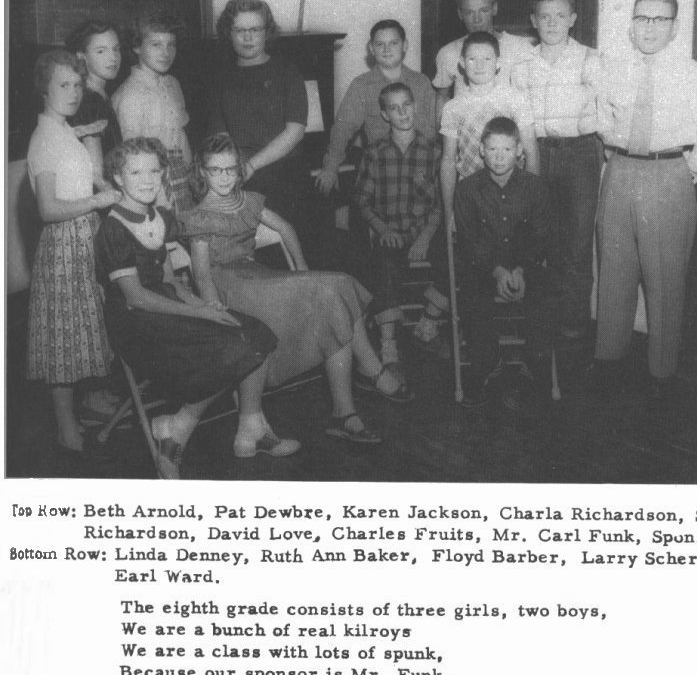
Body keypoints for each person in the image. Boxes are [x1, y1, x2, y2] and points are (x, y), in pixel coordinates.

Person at [184, 133, 414, 445]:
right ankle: (366, 381)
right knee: (334, 290)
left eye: (230, 169)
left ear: (239, 170)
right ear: (202, 172)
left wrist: (303, 268)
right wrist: (212, 307)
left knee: (338, 288)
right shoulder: (200, 216)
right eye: (215, 170)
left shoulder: (248, 201)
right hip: (230, 288)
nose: (224, 177)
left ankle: (345, 409)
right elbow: (200, 272)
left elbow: (286, 228)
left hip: (257, 278)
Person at [96, 137, 300, 479]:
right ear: (117, 178)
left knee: (255, 331)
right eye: (135, 172)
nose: (147, 179)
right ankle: (178, 429)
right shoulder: (113, 228)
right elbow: (137, 298)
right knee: (231, 345)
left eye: (154, 171)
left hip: (168, 305)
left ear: (163, 173)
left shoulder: (158, 215)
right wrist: (200, 312)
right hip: (136, 322)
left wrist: (205, 303)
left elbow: (170, 281)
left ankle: (249, 427)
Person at [593, 0, 697, 400]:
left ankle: (662, 373)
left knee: (665, 278)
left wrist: (684, 174)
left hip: (669, 174)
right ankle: (608, 362)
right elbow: (602, 118)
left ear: (674, 27)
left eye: (659, 20)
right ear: (631, 25)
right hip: (619, 172)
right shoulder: (612, 70)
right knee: (614, 272)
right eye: (642, 19)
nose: (649, 27)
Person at [25, 49, 123, 453]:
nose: (73, 92)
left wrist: (85, 138)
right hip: (63, 245)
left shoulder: (61, 128)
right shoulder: (45, 138)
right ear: (44, 89)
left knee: (85, 325)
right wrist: (98, 202)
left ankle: (91, 399)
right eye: (63, 85)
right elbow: (48, 208)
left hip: (81, 240)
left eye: (78, 84)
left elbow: (74, 167)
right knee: (62, 338)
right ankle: (66, 425)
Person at [512, 0, 602, 340]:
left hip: (578, 155)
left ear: (573, 19)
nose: (552, 23)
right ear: (534, 20)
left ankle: (573, 331)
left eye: (560, 16)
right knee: (535, 241)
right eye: (544, 16)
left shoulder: (590, 60)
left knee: (577, 245)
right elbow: (516, 114)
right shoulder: (522, 65)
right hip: (535, 153)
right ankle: (538, 327)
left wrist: (589, 126)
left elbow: (605, 109)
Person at [452, 117, 551, 408]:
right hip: (484, 266)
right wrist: (497, 272)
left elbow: (540, 238)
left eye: (507, 150)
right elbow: (469, 242)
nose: (499, 156)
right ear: (481, 150)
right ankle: (489, 367)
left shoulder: (535, 187)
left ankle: (531, 368)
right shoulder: (467, 190)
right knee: (472, 295)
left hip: (525, 265)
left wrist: (521, 270)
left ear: (520, 150)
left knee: (545, 292)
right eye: (492, 149)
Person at [353, 83, 446, 368]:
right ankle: (389, 341)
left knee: (453, 259)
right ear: (384, 115)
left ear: (415, 107)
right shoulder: (375, 152)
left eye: (407, 105)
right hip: (390, 232)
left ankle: (427, 323)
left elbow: (439, 203)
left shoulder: (432, 151)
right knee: (384, 266)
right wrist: (383, 230)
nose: (402, 112)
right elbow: (362, 201)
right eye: (394, 108)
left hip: (422, 233)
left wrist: (425, 238)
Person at [207, 0, 310, 246]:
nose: (247, 37)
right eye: (240, 30)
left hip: (284, 176)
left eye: (255, 30)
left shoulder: (287, 72)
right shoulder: (220, 78)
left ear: (267, 33)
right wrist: (233, 174)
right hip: (239, 178)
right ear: (229, 34)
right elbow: (220, 139)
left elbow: (294, 132)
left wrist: (251, 165)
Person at [315, 19, 437, 196]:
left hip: (420, 166)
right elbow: (343, 128)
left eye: (394, 43)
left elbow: (433, 128)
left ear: (405, 46)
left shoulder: (422, 82)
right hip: (383, 170)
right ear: (371, 49)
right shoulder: (361, 86)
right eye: (380, 44)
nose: (387, 50)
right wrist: (330, 167)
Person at [440, 31, 539, 238]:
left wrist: (529, 201)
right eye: (472, 59)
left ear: (498, 63)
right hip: (471, 195)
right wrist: (449, 212)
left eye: (487, 58)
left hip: (511, 192)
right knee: (477, 260)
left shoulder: (515, 99)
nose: (479, 65)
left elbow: (531, 153)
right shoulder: (453, 107)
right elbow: (449, 160)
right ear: (461, 63)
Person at [111, 8, 193, 216]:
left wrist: (191, 176)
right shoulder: (130, 95)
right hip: (152, 183)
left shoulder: (173, 83)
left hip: (182, 177)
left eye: (171, 45)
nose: (165, 53)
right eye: (156, 45)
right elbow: (132, 158)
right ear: (137, 47)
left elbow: (180, 136)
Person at [433, 0, 533, 114]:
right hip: (465, 130)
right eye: (469, 12)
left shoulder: (519, 47)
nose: (477, 19)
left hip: (507, 130)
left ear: (494, 9)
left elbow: (530, 98)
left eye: (483, 11)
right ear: (460, 14)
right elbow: (442, 97)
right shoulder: (449, 53)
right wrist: (441, 134)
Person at [66, 19, 123, 190]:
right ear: (81, 56)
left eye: (116, 49)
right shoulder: (90, 101)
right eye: (101, 51)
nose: (113, 57)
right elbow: (97, 175)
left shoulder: (99, 94)